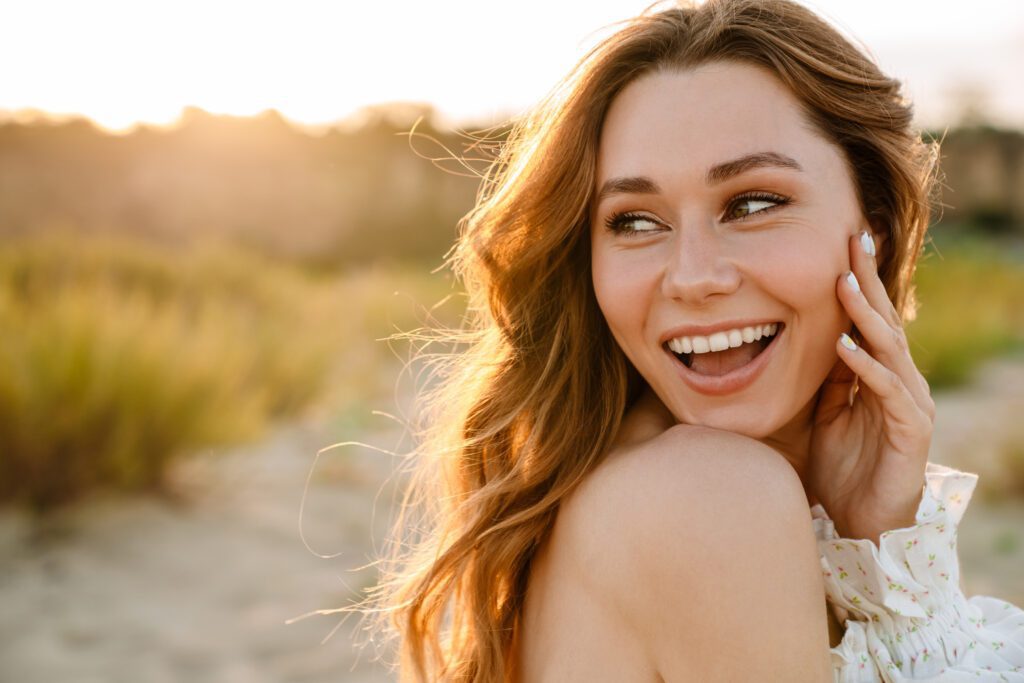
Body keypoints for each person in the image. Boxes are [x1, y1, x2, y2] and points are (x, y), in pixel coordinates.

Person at [360, 0, 1024, 680]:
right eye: (637, 221)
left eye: (753, 204)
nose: (693, 277)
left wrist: (878, 536)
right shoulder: (709, 496)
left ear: (872, 225)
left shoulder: (658, 480)